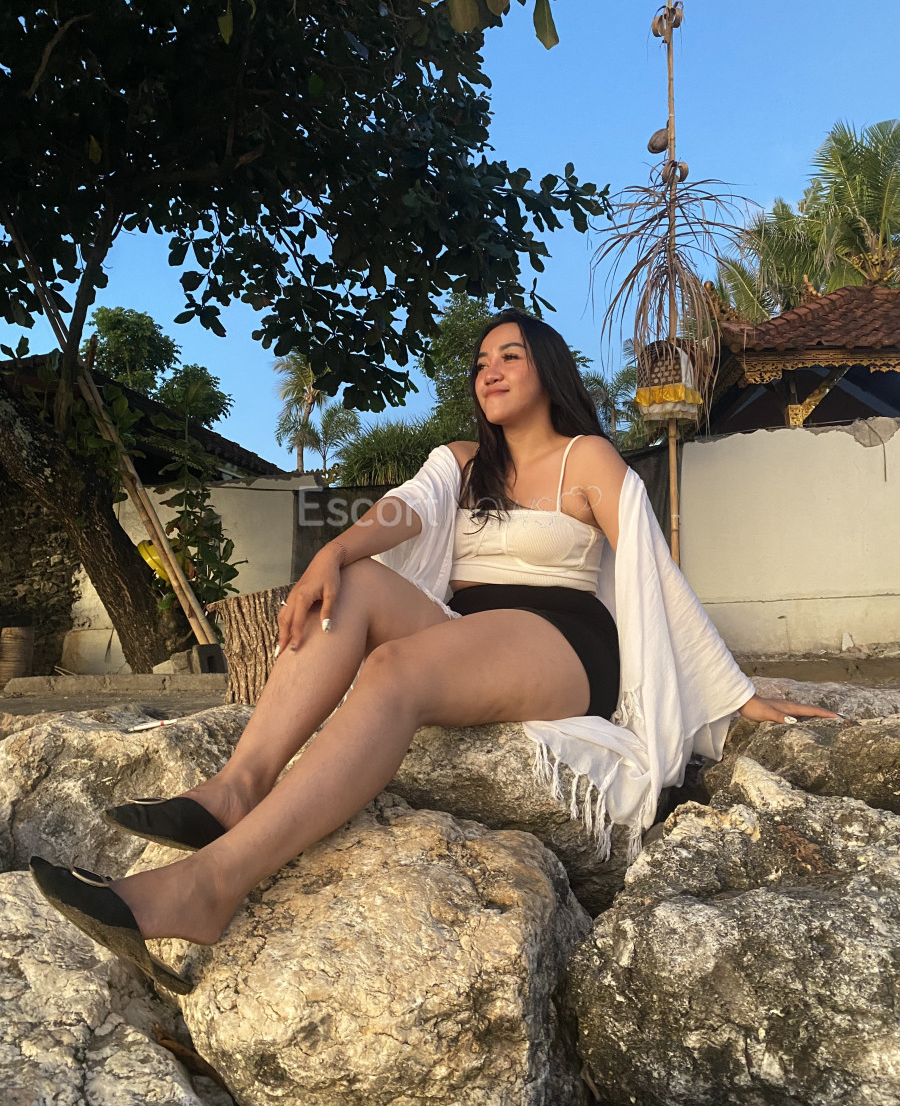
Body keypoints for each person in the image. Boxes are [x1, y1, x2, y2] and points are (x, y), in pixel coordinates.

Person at [30, 310, 838, 993]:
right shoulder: (459, 462)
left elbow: (657, 576)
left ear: (548, 369)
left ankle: (210, 883)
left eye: (509, 355)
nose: (490, 370)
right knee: (353, 584)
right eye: (480, 362)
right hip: (464, 628)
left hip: (561, 639)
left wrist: (736, 695)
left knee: (394, 672)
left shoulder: (587, 458)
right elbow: (403, 511)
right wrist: (331, 553)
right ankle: (239, 785)